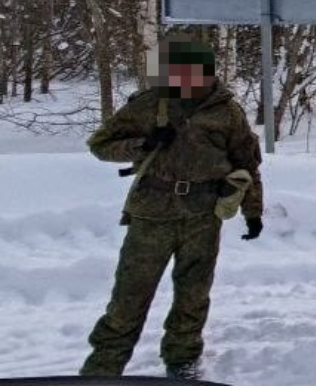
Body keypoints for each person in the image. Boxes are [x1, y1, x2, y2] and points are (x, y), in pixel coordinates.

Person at [80, 39, 263, 381]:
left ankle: (182, 361)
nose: (186, 79)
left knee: (193, 295)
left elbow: (247, 163)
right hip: (152, 213)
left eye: (194, 72)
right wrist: (141, 144)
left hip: (203, 213)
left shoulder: (227, 112)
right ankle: (103, 368)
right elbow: (100, 145)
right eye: (178, 71)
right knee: (129, 296)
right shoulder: (152, 104)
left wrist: (253, 211)